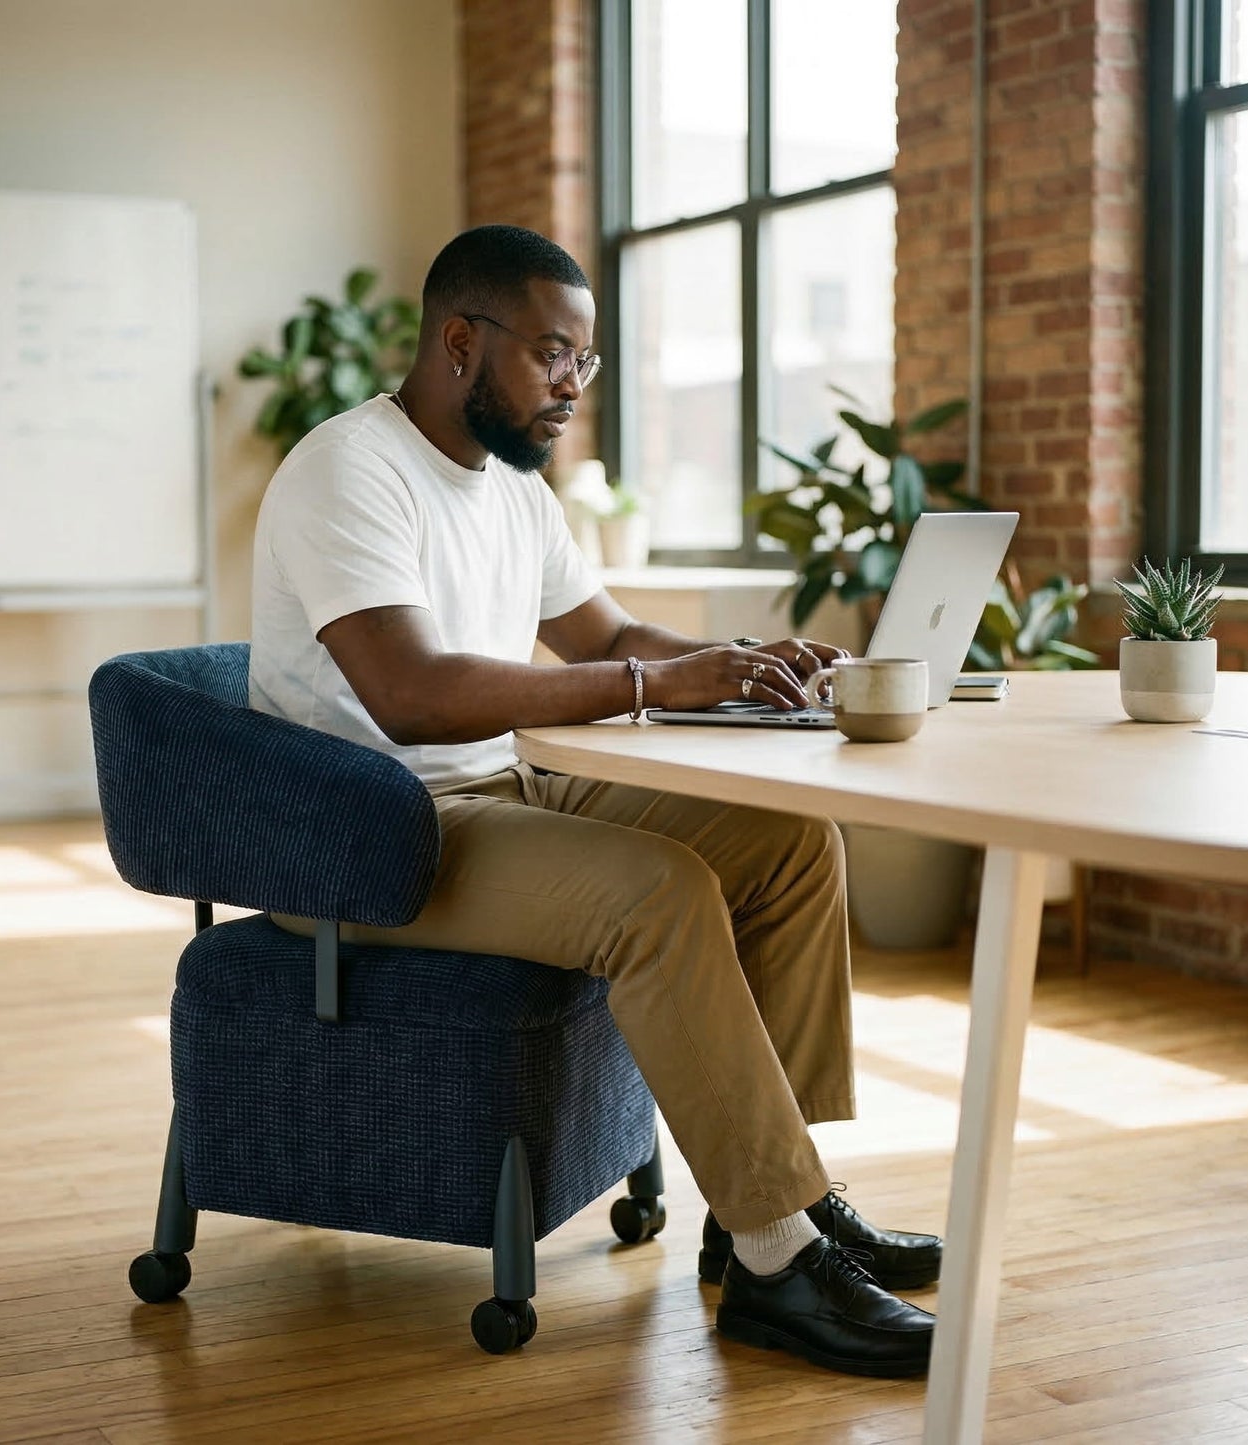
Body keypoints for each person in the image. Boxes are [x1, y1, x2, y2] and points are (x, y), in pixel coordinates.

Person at [249, 224, 942, 1377]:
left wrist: (733, 660)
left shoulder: (514, 491)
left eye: (587, 361)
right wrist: (647, 683)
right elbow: (412, 694)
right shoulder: (347, 468)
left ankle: (772, 1209)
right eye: (554, 355)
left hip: (495, 790)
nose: (574, 386)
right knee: (655, 890)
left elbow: (611, 635)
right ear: (461, 342)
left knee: (782, 839)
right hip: (369, 835)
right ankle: (781, 1269)